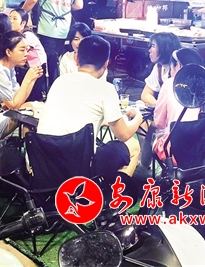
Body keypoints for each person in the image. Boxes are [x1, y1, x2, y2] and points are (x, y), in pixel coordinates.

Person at [37, 36, 142, 177]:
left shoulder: (59, 82)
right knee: (133, 146)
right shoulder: (106, 89)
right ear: (106, 64)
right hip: (80, 166)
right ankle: (107, 190)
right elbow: (123, 135)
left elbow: (75, 114)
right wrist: (138, 117)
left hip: (45, 163)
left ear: (77, 59)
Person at [152, 48, 205, 162]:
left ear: (178, 65)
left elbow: (159, 123)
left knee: (155, 135)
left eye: (171, 68)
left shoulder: (170, 84)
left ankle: (145, 167)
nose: (170, 73)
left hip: (180, 156)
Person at [22, 0, 83, 88]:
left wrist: (22, 14)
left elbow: (33, 0)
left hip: (47, 28)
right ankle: (59, 88)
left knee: (46, 62)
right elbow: (79, 5)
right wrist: (64, 7)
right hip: (64, 29)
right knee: (59, 61)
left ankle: (46, 90)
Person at [9, 8, 47, 101]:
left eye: (14, 19)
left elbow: (16, 51)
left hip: (37, 71)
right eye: (9, 18)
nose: (11, 21)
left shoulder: (28, 36)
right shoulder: (16, 35)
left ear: (23, 23)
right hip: (24, 68)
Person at [140, 32, 182, 106]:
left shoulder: (178, 69)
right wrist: (158, 105)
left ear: (164, 49)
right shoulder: (159, 67)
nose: (149, 50)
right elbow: (146, 94)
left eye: (153, 46)